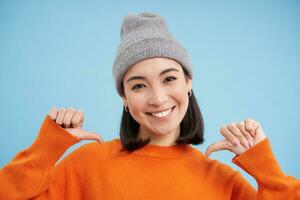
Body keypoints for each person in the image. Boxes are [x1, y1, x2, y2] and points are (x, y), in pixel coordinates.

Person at [0, 12, 299, 200]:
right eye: (139, 85)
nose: (157, 98)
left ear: (188, 82)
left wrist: (266, 168)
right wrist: (44, 149)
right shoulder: (84, 166)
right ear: (125, 99)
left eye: (169, 78)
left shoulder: (223, 182)